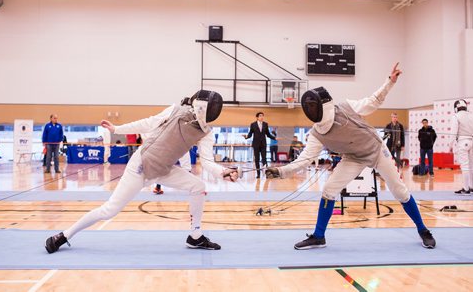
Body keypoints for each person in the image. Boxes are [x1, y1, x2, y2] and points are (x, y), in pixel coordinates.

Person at [266, 63, 436, 250]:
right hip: (353, 157)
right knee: (329, 190)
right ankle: (319, 236)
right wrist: (280, 171)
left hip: (376, 150)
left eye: (314, 105)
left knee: (399, 191)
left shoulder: (345, 107)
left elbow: (374, 100)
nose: (312, 109)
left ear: (323, 105)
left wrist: (390, 82)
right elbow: (304, 160)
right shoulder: (316, 133)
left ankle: (423, 230)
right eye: (309, 107)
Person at [45, 90, 239, 253]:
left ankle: (195, 236)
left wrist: (224, 172)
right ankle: (64, 235)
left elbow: (206, 161)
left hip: (163, 170)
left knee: (198, 186)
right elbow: (149, 122)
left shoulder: (206, 131)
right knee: (109, 210)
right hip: (141, 166)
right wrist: (117, 129)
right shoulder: (176, 110)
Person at [243, 112, 276, 178]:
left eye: (263, 116)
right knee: (257, 159)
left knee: (264, 159)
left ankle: (267, 173)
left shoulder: (265, 124)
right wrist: (246, 137)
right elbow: (250, 134)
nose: (262, 117)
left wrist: (274, 138)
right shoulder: (253, 124)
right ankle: (258, 174)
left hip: (263, 144)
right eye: (260, 116)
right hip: (256, 144)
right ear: (257, 117)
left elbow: (268, 134)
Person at [451, 99, 473, 195]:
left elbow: (454, 132)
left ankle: (466, 189)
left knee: (465, 166)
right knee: (471, 166)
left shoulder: (456, 116)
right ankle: (471, 187)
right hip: (472, 141)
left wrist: (450, 145)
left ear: (456, 108)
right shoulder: (471, 115)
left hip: (463, 142)